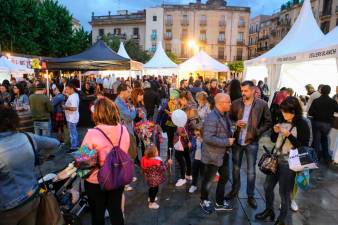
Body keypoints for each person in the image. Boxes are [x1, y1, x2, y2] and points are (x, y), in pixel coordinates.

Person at [0, 105, 60, 225]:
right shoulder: (27, 137)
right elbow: (55, 143)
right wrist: (41, 157)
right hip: (32, 195)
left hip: (8, 206)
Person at [255, 96, 310, 225]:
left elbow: (303, 146)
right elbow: (274, 140)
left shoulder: (302, 124)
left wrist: (289, 135)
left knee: (284, 193)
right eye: (282, 111)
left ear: (294, 111)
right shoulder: (282, 119)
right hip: (275, 159)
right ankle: (269, 210)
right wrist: (274, 131)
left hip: (290, 163)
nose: (283, 114)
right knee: (267, 186)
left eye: (286, 112)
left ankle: (282, 219)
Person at [81, 98, 129, 225]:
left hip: (96, 180)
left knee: (97, 214)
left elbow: (83, 162)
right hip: (118, 176)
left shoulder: (92, 133)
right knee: (116, 210)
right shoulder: (124, 130)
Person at [226, 80, 272, 209]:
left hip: (252, 141)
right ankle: (235, 190)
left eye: (245, 90)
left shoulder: (262, 104)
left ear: (253, 90)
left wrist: (257, 132)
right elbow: (229, 118)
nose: (243, 93)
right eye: (242, 90)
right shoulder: (236, 103)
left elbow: (268, 122)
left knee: (251, 170)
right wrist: (236, 123)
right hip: (237, 141)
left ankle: (250, 195)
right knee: (235, 168)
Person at [200, 93, 235, 214]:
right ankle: (204, 200)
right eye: (228, 102)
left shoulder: (224, 115)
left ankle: (219, 202)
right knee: (208, 180)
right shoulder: (212, 117)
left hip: (223, 153)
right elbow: (207, 138)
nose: (231, 104)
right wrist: (226, 141)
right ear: (220, 103)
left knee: (225, 177)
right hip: (212, 155)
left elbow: (223, 129)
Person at [308, 85, 338, 165]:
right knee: (324, 140)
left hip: (317, 122)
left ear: (321, 91)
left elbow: (310, 112)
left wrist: (317, 114)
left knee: (316, 142)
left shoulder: (316, 101)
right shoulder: (333, 102)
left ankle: (315, 159)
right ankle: (327, 159)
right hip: (327, 124)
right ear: (329, 92)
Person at [141, 144, 172, 209]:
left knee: (151, 188)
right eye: (157, 151)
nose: (158, 152)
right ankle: (151, 203)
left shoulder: (144, 159)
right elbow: (163, 168)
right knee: (154, 190)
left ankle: (150, 197)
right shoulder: (156, 163)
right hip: (155, 180)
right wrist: (168, 163)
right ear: (153, 154)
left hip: (149, 178)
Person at [63, 82, 80, 152]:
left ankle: (73, 147)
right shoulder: (74, 95)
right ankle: (76, 144)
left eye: (67, 89)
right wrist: (66, 93)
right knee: (74, 132)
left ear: (71, 89)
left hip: (72, 118)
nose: (66, 91)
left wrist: (65, 107)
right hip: (72, 117)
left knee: (72, 133)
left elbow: (74, 108)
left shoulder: (73, 97)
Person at [189, 127, 204, 193]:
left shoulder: (205, 139)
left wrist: (202, 142)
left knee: (203, 173)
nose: (196, 133)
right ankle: (193, 185)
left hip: (203, 159)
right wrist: (191, 146)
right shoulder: (194, 138)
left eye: (197, 131)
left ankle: (204, 187)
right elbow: (192, 149)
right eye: (195, 131)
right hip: (195, 158)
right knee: (194, 172)